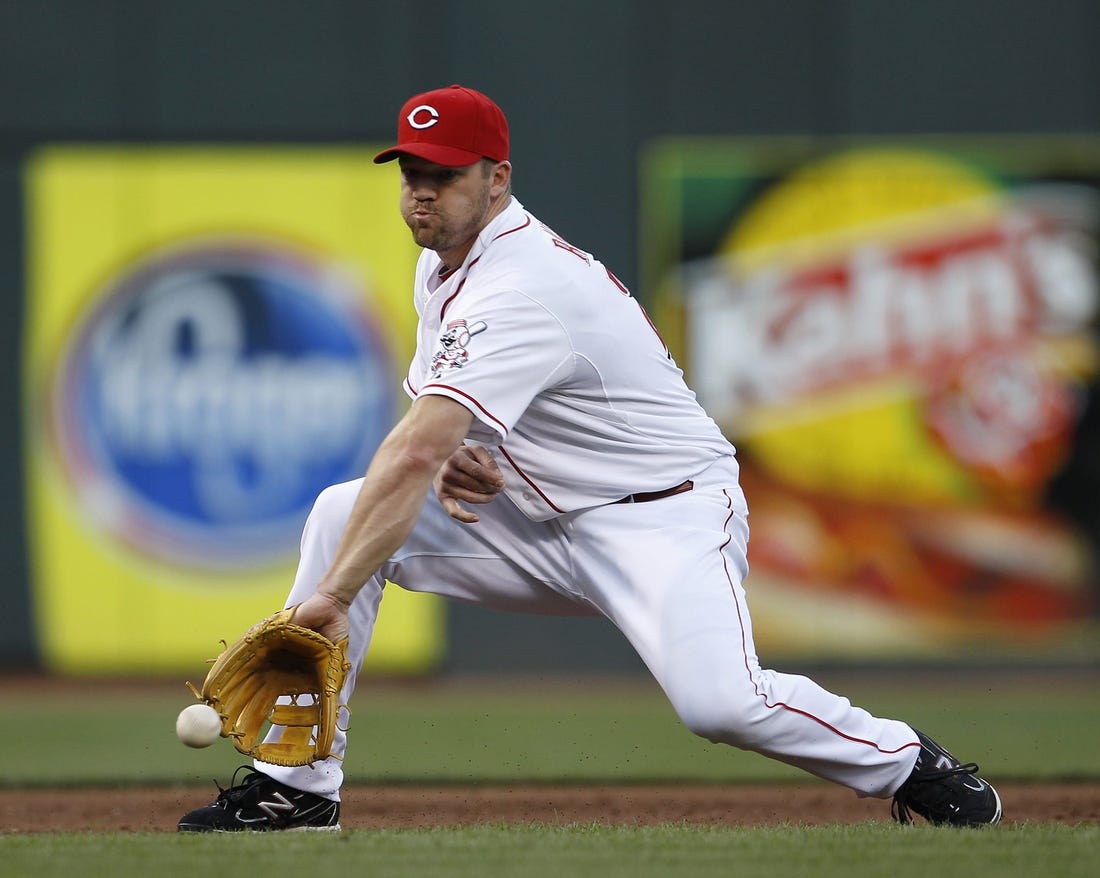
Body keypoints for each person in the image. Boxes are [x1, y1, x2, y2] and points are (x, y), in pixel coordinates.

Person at [177, 84, 1002, 832]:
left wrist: (329, 597)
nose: (423, 190)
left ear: (497, 179)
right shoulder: (442, 264)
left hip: (663, 520)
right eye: (412, 172)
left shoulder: (523, 286)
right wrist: (460, 454)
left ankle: (910, 765)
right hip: (539, 521)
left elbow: (416, 445)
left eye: (446, 174)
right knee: (338, 512)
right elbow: (442, 432)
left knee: (722, 706)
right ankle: (296, 789)